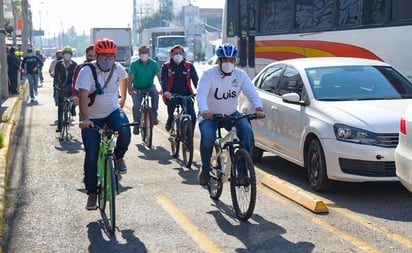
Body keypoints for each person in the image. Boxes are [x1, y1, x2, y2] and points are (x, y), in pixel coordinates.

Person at [196, 43, 265, 185]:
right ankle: (205, 168)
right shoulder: (209, 75)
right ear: (219, 61)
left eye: (231, 60)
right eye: (225, 60)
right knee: (208, 138)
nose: (228, 63)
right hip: (210, 115)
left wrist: (258, 108)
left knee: (247, 131)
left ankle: (242, 172)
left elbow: (252, 93)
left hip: (231, 113)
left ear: (235, 61)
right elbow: (201, 94)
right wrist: (204, 110)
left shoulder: (240, 75)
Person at [76, 38, 131, 210]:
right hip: (92, 117)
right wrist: (85, 120)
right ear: (97, 56)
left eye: (110, 57)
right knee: (91, 154)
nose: (107, 60)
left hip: (112, 112)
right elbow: (83, 96)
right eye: (103, 57)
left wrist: (122, 101)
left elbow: (124, 79)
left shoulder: (118, 68)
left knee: (125, 131)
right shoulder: (87, 70)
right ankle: (92, 193)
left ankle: (119, 157)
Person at [161, 44, 199, 132]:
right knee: (171, 113)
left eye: (180, 53)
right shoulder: (166, 66)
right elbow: (164, 80)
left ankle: (189, 136)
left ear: (183, 54)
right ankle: (170, 120)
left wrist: (200, 91)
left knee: (192, 116)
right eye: (175, 53)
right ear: (171, 55)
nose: (178, 55)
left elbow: (196, 81)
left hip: (187, 95)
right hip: (172, 95)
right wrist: (166, 91)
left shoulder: (189, 66)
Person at [127, 45, 161, 135]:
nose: (144, 55)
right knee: (137, 105)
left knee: (155, 94)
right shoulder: (134, 64)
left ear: (149, 53)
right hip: (137, 87)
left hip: (149, 86)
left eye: (145, 52)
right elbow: (130, 78)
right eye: (142, 53)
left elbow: (159, 77)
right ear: (139, 54)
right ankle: (136, 124)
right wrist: (130, 90)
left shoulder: (154, 64)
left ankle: (154, 116)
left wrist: (163, 89)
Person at [53, 46, 77, 132]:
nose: (67, 56)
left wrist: (75, 86)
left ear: (71, 55)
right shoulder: (59, 64)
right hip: (61, 86)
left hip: (71, 86)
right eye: (65, 54)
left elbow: (77, 77)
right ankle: (59, 126)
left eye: (69, 54)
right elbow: (56, 76)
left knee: (74, 98)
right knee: (60, 106)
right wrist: (55, 85)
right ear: (63, 55)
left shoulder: (74, 65)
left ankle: (73, 108)